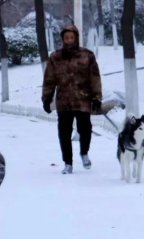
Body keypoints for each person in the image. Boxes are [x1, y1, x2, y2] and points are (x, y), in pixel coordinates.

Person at [42, 25, 102, 175]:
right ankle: (68, 163)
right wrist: (47, 98)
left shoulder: (87, 56)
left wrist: (96, 98)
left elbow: (94, 78)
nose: (69, 40)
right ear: (63, 39)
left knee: (85, 129)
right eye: (66, 38)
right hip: (64, 101)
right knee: (64, 133)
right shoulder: (55, 57)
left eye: (71, 37)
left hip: (83, 99)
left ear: (76, 38)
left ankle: (84, 153)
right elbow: (49, 79)